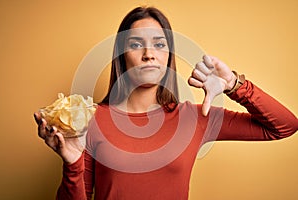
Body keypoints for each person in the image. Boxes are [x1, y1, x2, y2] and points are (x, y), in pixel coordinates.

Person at [34, 6, 298, 200]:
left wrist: (234, 85)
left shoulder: (195, 118)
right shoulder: (93, 120)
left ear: (168, 56)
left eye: (159, 44)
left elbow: (284, 126)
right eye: (136, 44)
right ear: (122, 56)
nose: (149, 54)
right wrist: (71, 164)